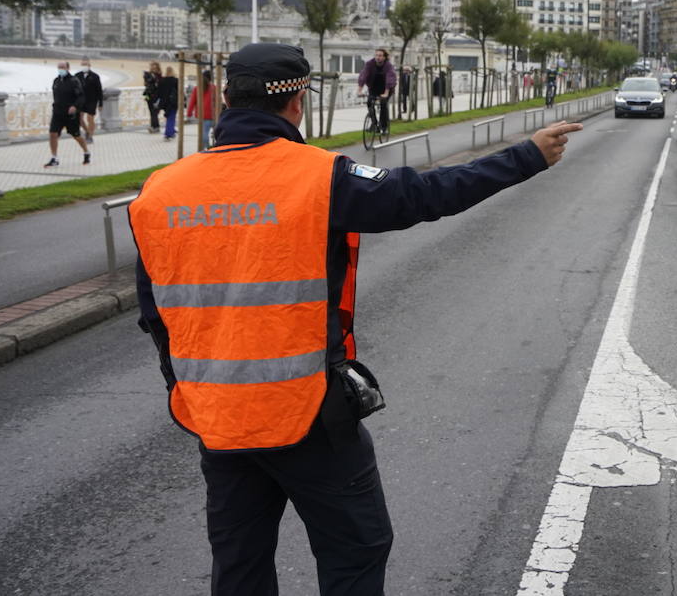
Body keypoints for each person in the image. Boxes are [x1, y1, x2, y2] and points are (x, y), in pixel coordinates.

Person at [127, 43, 580, 596]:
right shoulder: (318, 177)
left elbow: (155, 312)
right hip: (307, 413)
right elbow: (423, 195)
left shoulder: (161, 191)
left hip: (218, 417)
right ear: (296, 102)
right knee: (356, 549)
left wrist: (185, 385)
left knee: (239, 563)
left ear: (226, 98)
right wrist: (526, 157)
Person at [44, 60, 89, 167]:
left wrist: (75, 106)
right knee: (52, 134)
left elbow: (81, 96)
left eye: (63, 67)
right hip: (58, 113)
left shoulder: (74, 81)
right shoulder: (56, 81)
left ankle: (86, 152)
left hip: (71, 114)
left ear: (68, 68)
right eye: (59, 67)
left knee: (76, 135)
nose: (61, 69)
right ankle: (54, 158)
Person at [356, 48, 397, 134]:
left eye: (380, 56)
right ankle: (374, 124)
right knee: (369, 103)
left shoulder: (388, 66)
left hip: (386, 88)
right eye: (376, 55)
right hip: (373, 87)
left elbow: (390, 79)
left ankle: (384, 127)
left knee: (383, 104)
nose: (378, 57)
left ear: (384, 57)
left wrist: (386, 93)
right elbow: (363, 76)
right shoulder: (369, 64)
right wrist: (359, 90)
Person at [186, 68, 219, 148]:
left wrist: (189, 113)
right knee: (216, 133)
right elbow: (218, 101)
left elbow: (192, 102)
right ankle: (214, 147)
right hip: (213, 114)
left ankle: (207, 148)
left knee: (204, 133)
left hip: (202, 115)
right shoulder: (214, 88)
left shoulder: (197, 88)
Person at [74, 57, 103, 143]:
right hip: (81, 101)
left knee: (90, 118)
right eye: (83, 64)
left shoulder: (95, 76)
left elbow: (99, 90)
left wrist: (100, 103)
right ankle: (87, 131)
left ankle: (90, 136)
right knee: (79, 118)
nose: (84, 66)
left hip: (92, 100)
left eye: (85, 64)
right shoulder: (77, 76)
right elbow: (74, 89)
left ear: (89, 65)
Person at [157, 68, 181, 141]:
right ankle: (168, 133)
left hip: (165, 102)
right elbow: (179, 91)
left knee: (169, 116)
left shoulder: (162, 80)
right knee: (171, 117)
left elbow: (159, 92)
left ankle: (171, 130)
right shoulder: (175, 80)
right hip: (173, 102)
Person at [143, 61, 163, 133]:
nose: (153, 68)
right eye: (152, 66)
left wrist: (154, 79)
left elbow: (160, 85)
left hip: (157, 96)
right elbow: (146, 84)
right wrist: (147, 77)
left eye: (155, 66)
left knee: (155, 111)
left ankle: (155, 127)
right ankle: (154, 126)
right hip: (148, 96)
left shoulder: (159, 75)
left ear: (157, 67)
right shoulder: (148, 74)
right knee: (152, 112)